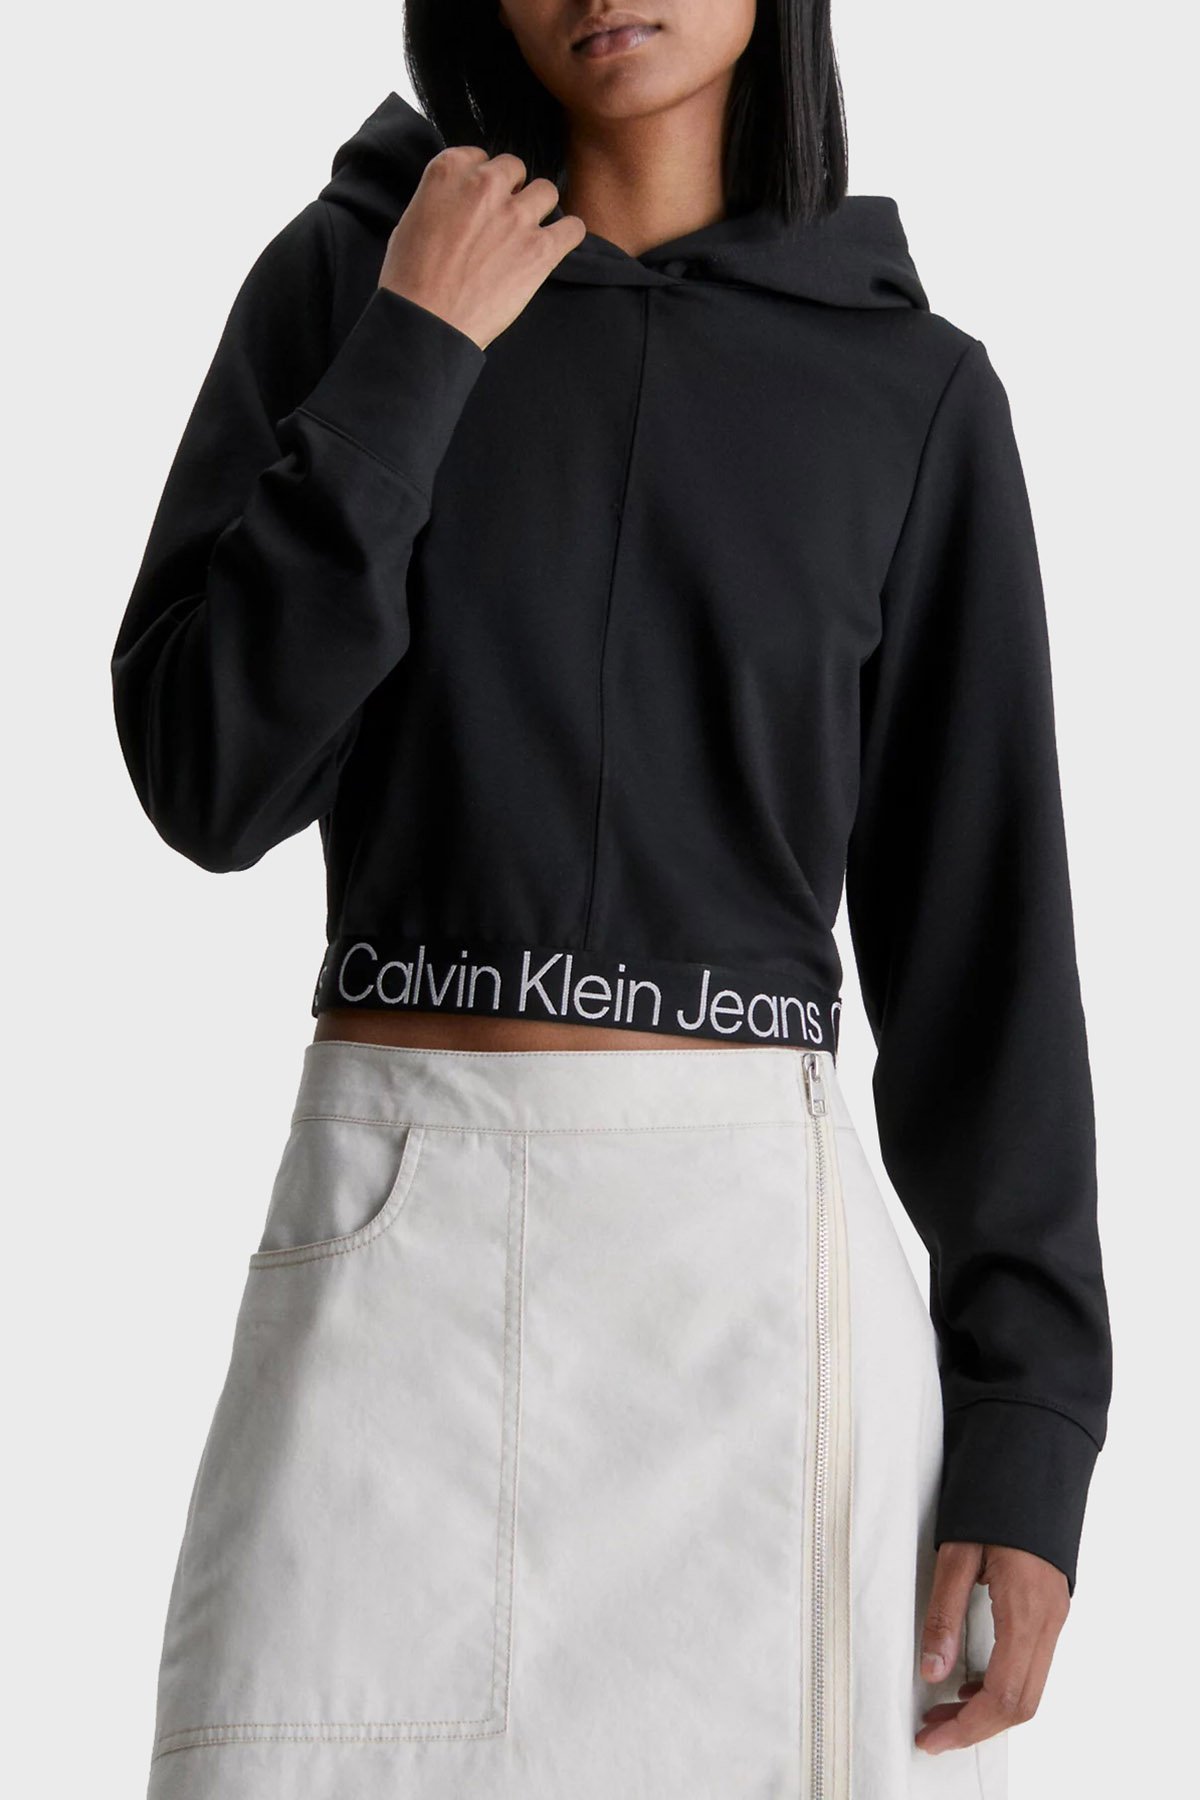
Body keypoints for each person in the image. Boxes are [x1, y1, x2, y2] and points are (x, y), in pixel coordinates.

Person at [110, 4, 1112, 1796]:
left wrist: (1031, 1427)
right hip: (390, 1251)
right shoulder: (356, 279)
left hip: (753, 1312)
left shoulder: (911, 392)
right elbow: (210, 779)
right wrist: (415, 350)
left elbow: (987, 947)